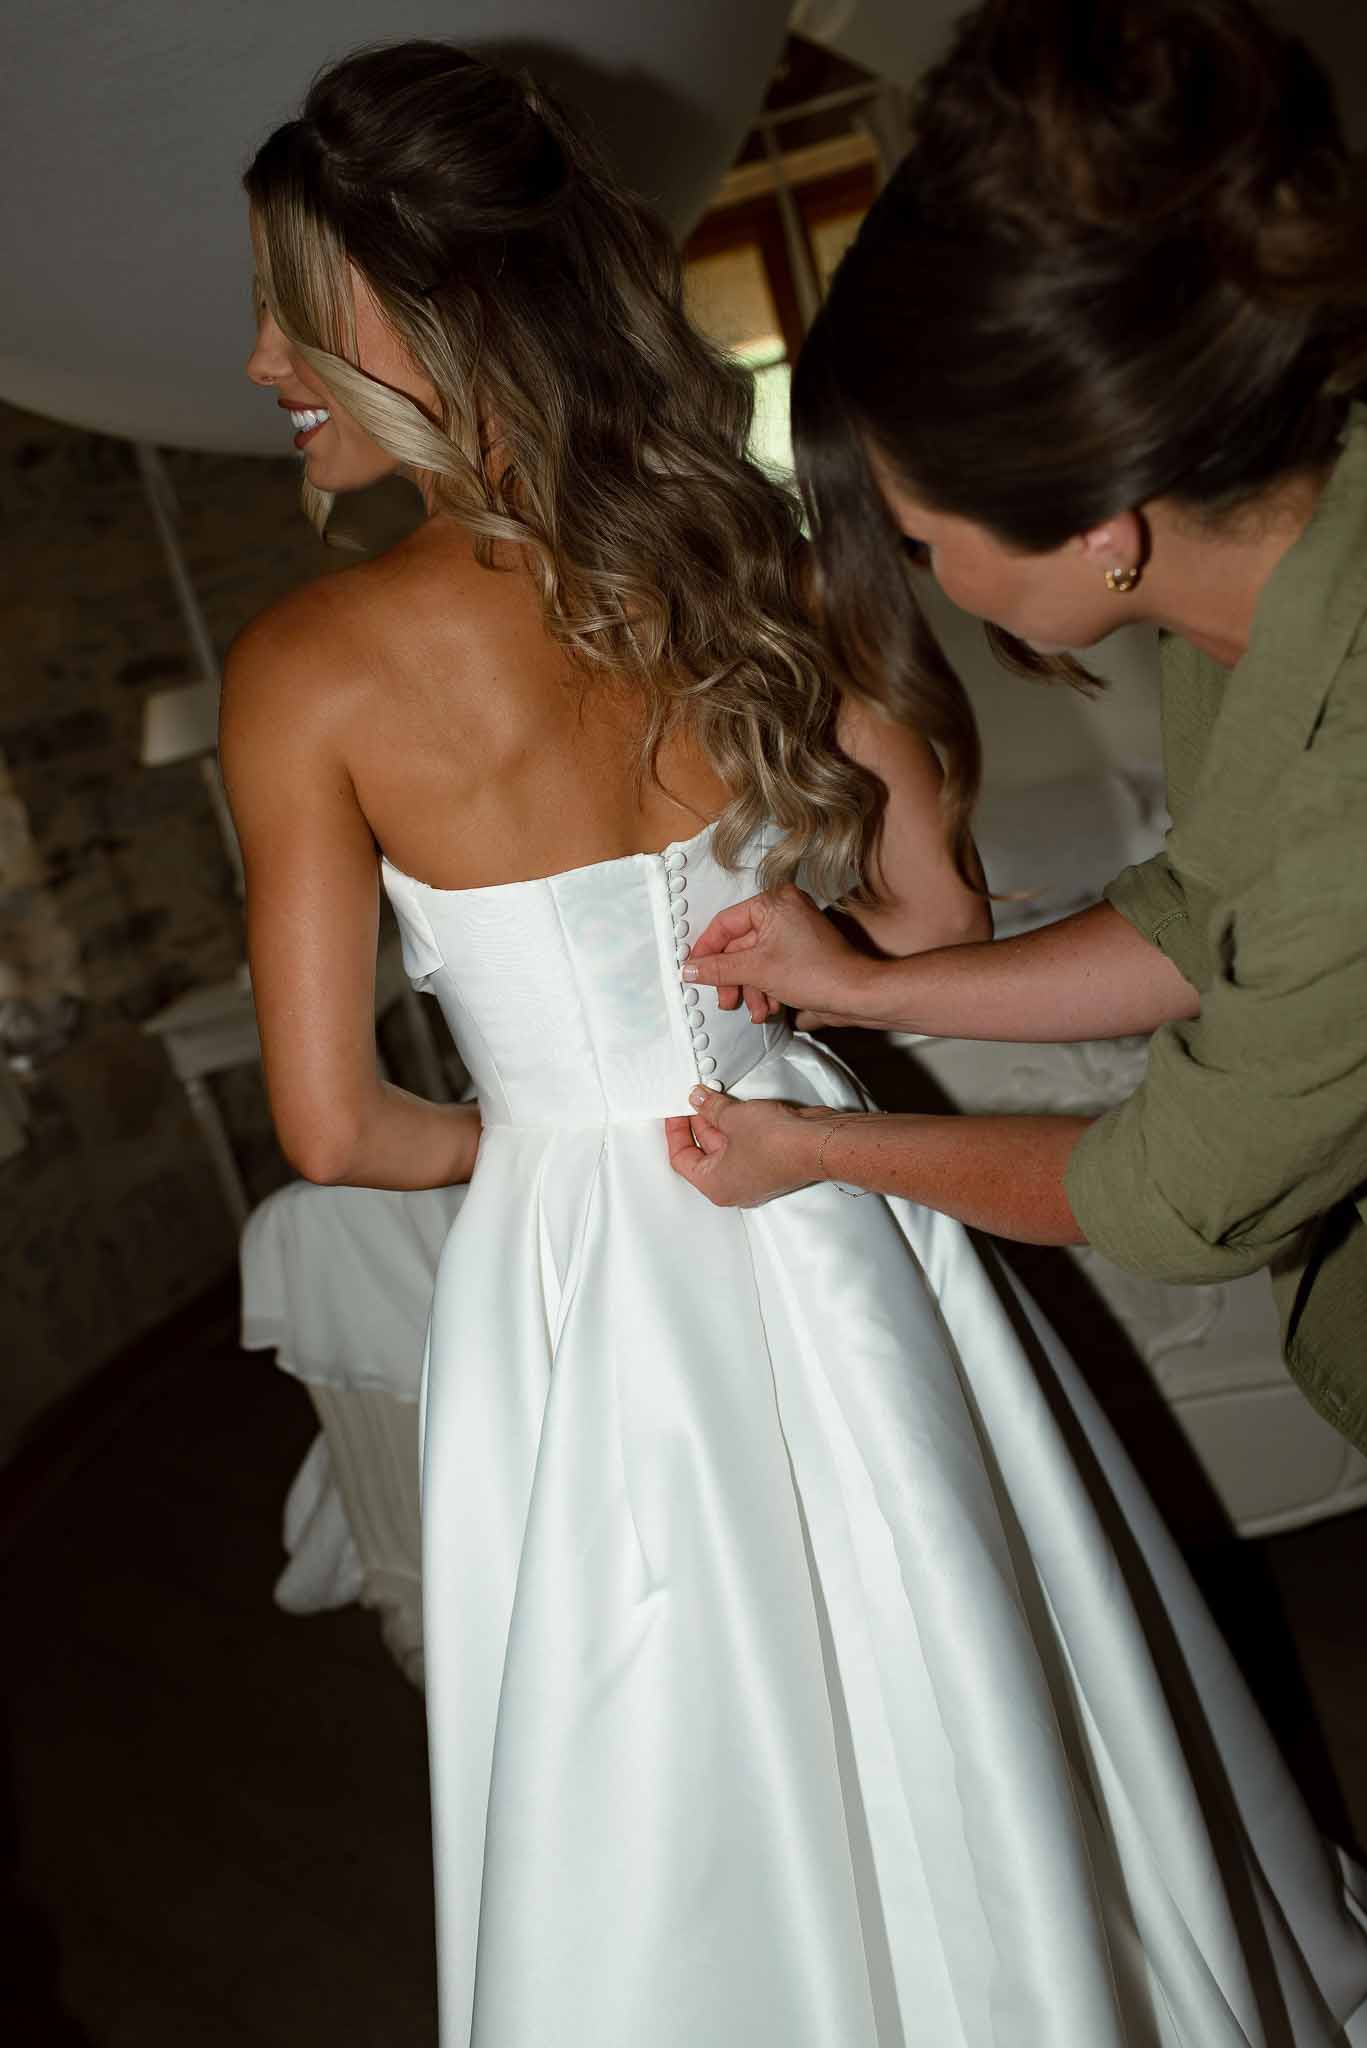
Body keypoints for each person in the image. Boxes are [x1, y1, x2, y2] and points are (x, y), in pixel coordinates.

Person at [225, 38, 1367, 2048]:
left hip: (588, 1271)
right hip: (821, 1186)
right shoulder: (750, 556)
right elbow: (928, 923)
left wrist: (565, 1149)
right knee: (967, 1635)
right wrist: (808, 1001)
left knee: (649, 1738)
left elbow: (333, 1127)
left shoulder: (308, 667)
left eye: (292, 311)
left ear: (410, 319)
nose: (259, 363)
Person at [674, 0, 1367, 1461]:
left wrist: (814, 1151)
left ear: (1095, 525)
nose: (922, 583)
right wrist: (864, 988)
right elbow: (1192, 921)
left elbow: (1175, 1199)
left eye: (921, 540)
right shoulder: (1252, 603)